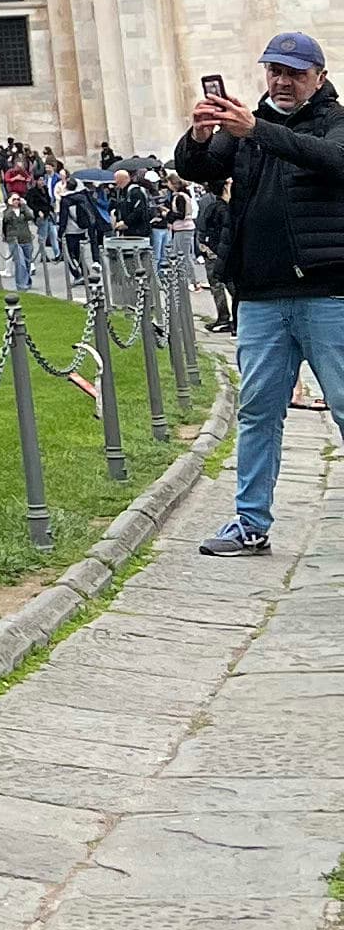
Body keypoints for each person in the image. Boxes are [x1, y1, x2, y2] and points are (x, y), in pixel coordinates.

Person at [179, 33, 344, 556]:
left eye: (295, 72)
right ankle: (250, 523)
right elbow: (197, 168)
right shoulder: (247, 124)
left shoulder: (335, 122)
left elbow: (329, 159)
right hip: (260, 295)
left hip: (327, 293)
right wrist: (202, 137)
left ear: (318, 76)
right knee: (257, 411)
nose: (283, 81)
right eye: (275, 70)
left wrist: (259, 129)